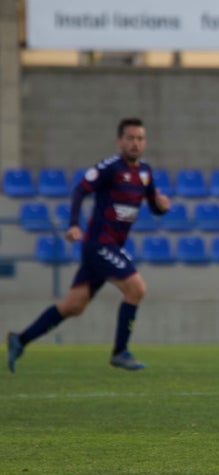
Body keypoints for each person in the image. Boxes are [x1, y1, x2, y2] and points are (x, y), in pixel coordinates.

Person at [6, 117, 170, 372]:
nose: (135, 143)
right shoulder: (110, 167)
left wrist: (161, 207)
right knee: (136, 288)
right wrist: (73, 224)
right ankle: (120, 351)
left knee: (74, 305)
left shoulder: (146, 173)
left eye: (140, 138)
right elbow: (80, 190)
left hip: (112, 245)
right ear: (119, 141)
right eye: (130, 138)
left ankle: (20, 340)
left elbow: (153, 205)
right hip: (99, 244)